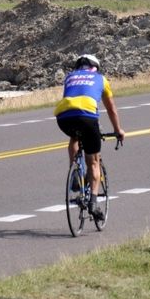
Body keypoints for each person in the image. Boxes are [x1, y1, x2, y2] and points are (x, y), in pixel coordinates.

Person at [54, 53, 124, 221]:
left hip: (63, 117)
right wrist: (118, 130)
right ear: (96, 67)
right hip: (87, 116)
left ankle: (76, 174)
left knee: (75, 138)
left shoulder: (70, 77)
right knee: (93, 161)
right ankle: (93, 202)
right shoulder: (101, 79)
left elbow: (72, 101)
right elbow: (111, 109)